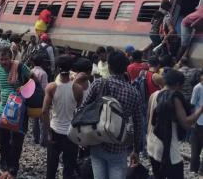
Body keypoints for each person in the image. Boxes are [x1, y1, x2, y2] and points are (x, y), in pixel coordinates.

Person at [80, 50, 142, 179]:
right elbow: (138, 124)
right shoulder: (134, 92)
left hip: (97, 141)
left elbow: (83, 110)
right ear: (125, 68)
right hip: (118, 146)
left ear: (109, 66)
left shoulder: (98, 84)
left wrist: (82, 136)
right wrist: (136, 150)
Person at [147, 69, 203, 179]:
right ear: (178, 84)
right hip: (168, 151)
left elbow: (150, 118)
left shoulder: (154, 95)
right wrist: (201, 109)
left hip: (151, 145)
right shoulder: (174, 98)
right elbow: (186, 123)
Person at [43, 55, 83, 179]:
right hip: (70, 134)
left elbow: (44, 111)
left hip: (55, 131)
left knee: (51, 168)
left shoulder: (51, 87)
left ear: (57, 68)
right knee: (68, 169)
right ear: (71, 68)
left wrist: (48, 131)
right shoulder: (78, 89)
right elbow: (79, 111)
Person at [0, 47, 32, 176]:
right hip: (3, 109)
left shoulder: (20, 67)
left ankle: (13, 166)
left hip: (20, 110)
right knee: (2, 138)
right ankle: (4, 161)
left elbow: (34, 80)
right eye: (1, 59)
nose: (4, 62)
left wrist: (24, 87)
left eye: (6, 59)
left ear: (11, 58)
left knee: (17, 140)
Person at [31, 53, 48, 146]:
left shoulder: (31, 71)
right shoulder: (43, 73)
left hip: (32, 98)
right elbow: (45, 88)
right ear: (42, 63)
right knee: (43, 120)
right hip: (41, 98)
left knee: (35, 119)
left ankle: (35, 138)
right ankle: (43, 141)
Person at [190, 71, 203, 175]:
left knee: (196, 147)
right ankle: (194, 169)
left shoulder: (197, 87)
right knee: (196, 148)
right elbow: (193, 105)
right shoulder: (198, 88)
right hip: (199, 121)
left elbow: (193, 104)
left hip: (199, 121)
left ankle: (198, 170)